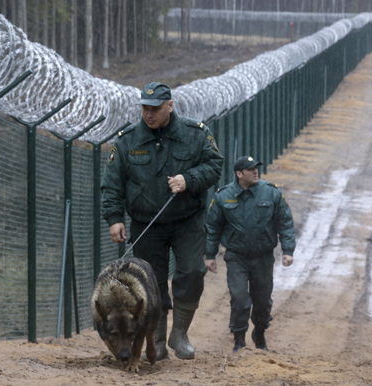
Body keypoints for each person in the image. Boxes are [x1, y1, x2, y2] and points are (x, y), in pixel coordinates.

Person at [101, 82, 224, 360]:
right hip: (146, 224)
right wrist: (114, 218)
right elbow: (112, 184)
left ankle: (180, 333)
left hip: (187, 220)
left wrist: (188, 179)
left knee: (192, 272)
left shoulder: (196, 134)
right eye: (145, 108)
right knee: (149, 284)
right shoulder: (127, 140)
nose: (149, 114)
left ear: (170, 105)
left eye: (155, 108)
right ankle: (154, 338)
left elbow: (215, 165)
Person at [205, 156, 295, 352]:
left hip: (263, 256)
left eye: (256, 168)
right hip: (236, 256)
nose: (255, 172)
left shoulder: (270, 192)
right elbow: (213, 227)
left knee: (262, 300)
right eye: (250, 169)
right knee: (239, 297)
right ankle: (239, 340)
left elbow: (285, 222)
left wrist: (288, 250)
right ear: (239, 174)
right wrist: (210, 255)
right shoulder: (223, 196)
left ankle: (260, 332)